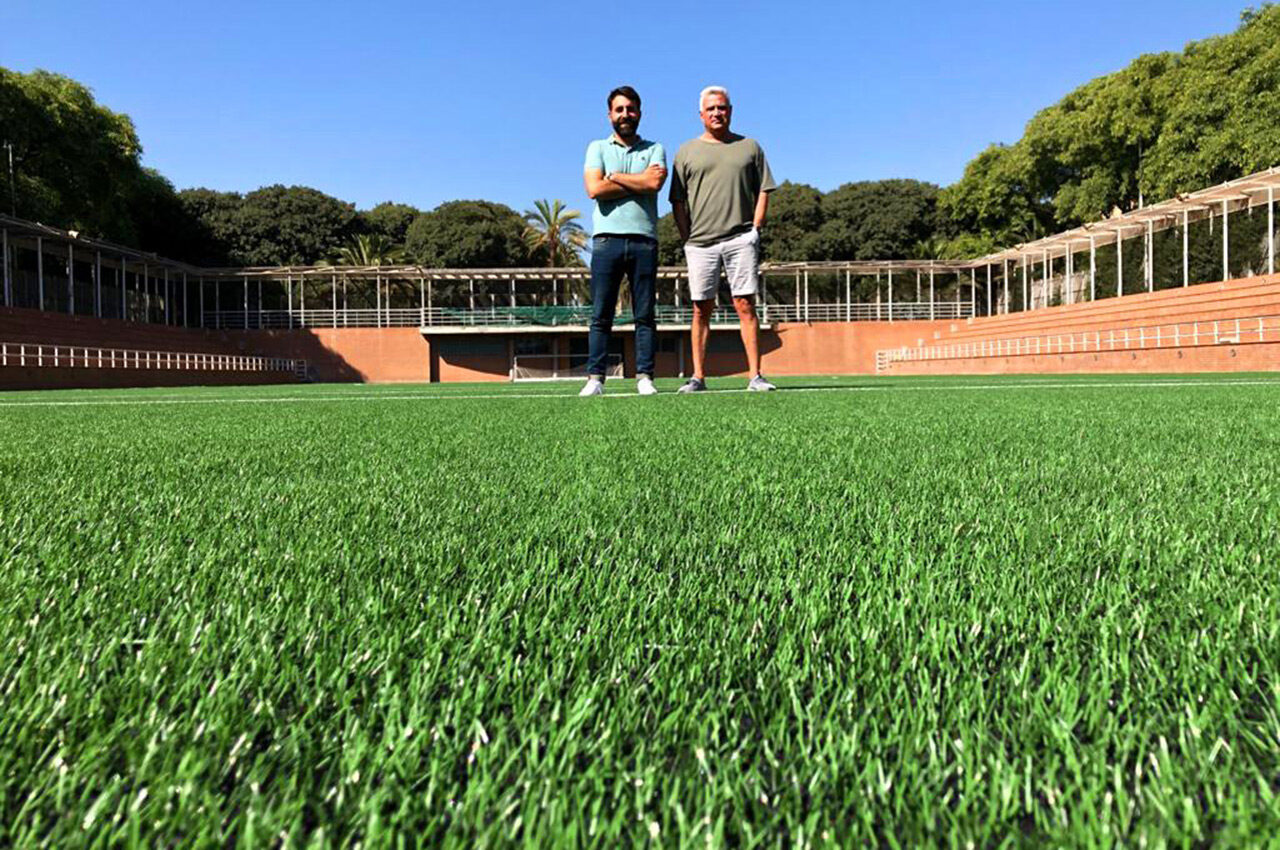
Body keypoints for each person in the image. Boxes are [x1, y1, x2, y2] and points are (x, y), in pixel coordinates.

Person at [669, 86, 777, 392]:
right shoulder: (686, 151)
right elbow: (677, 201)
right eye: (712, 109)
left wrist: (755, 229)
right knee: (701, 308)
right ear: (701, 114)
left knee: (745, 304)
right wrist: (687, 237)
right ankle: (698, 377)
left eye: (723, 108)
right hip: (700, 243)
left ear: (731, 110)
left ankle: (755, 376)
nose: (718, 113)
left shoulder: (750, 147)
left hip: (741, 239)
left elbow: (764, 190)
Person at [580, 86, 667, 396]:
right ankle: (595, 379)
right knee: (601, 314)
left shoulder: (655, 148)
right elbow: (594, 189)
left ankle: (645, 377)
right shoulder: (596, 148)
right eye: (619, 110)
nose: (625, 115)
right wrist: (637, 182)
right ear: (609, 115)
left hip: (644, 240)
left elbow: (654, 183)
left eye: (631, 109)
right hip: (606, 242)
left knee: (644, 314)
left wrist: (614, 177)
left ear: (640, 113)